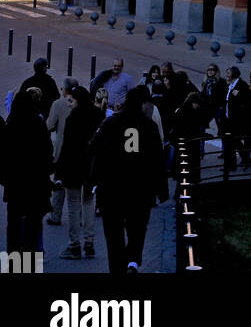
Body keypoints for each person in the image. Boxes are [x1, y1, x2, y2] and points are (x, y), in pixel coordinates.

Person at [88, 85, 168, 274]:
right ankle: (132, 260)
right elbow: (158, 159)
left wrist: (94, 179)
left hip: (112, 188)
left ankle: (117, 267)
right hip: (140, 189)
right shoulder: (149, 126)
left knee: (113, 233)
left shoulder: (110, 123)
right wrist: (161, 189)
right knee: (137, 228)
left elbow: (93, 149)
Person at [1, 89, 53, 253]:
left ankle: (13, 266)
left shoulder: (11, 126)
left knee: (14, 229)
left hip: (15, 187)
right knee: (32, 230)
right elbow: (47, 153)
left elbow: (3, 157)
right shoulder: (38, 125)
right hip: (35, 187)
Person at [56, 86, 103, 260]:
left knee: (74, 206)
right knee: (89, 203)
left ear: (78, 100)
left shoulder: (73, 120)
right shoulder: (98, 116)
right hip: (91, 168)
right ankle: (89, 243)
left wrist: (59, 173)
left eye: (71, 100)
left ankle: (74, 245)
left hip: (74, 169)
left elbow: (66, 148)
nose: (69, 104)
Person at [45, 77, 78, 225]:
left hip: (61, 148)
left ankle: (56, 215)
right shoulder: (82, 103)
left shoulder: (58, 104)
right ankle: (79, 216)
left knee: (59, 184)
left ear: (64, 90)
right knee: (76, 186)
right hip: (77, 149)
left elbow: (50, 125)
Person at [170, 91, 209, 182]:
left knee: (183, 170)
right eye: (197, 104)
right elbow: (192, 130)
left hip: (182, 144)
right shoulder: (191, 113)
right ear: (193, 103)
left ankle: (180, 192)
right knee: (188, 169)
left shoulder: (181, 110)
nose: (198, 106)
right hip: (189, 144)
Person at [223, 67, 251, 170]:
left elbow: (247, 100)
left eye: (228, 73)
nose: (226, 75)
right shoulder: (230, 85)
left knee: (234, 141)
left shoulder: (241, 85)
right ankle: (239, 161)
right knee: (232, 141)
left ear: (233, 74)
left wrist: (238, 95)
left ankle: (240, 161)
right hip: (228, 118)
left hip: (237, 119)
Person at [200, 65, 227, 133]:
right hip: (208, 107)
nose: (210, 71)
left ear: (216, 71)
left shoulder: (221, 81)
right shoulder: (205, 82)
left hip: (218, 107)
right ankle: (200, 143)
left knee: (222, 129)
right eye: (208, 70)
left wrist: (221, 106)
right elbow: (203, 94)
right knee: (201, 126)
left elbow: (224, 95)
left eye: (212, 70)